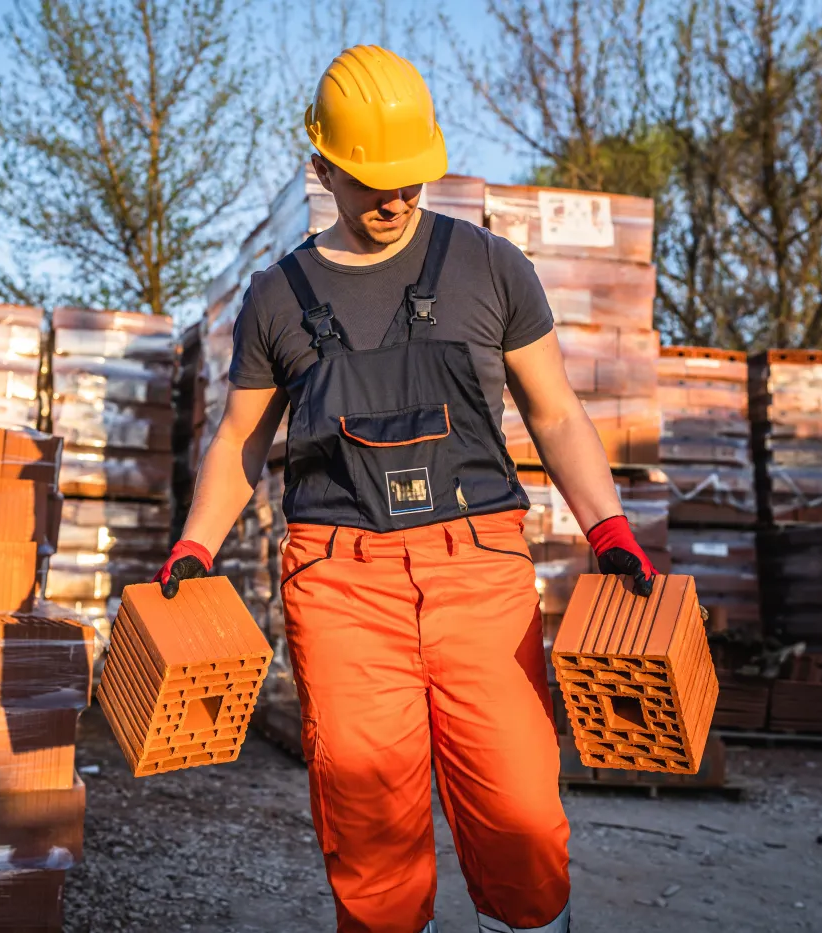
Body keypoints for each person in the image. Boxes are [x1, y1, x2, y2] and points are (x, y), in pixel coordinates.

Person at [154, 45, 656, 933]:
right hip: (341, 584)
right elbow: (240, 437)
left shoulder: (493, 268)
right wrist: (194, 544)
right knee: (371, 834)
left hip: (483, 574)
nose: (395, 201)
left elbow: (557, 412)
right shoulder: (277, 299)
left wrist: (608, 526)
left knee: (523, 822)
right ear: (321, 168)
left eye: (411, 181)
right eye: (371, 182)